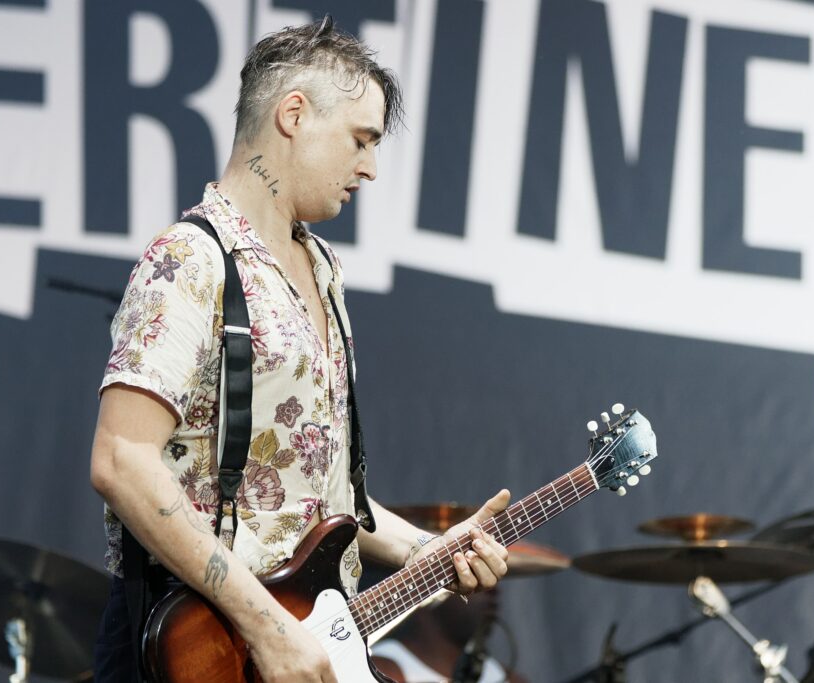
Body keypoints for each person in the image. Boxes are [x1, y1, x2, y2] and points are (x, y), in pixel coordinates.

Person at [89, 17, 510, 683]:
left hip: (302, 646)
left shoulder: (321, 271)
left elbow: (324, 499)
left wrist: (429, 550)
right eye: (361, 140)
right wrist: (263, 622)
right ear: (294, 114)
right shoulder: (193, 258)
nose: (370, 168)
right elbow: (121, 458)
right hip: (196, 649)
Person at [370, 588, 529, 683]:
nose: (492, 588)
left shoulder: (508, 678)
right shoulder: (378, 668)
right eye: (470, 577)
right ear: (427, 595)